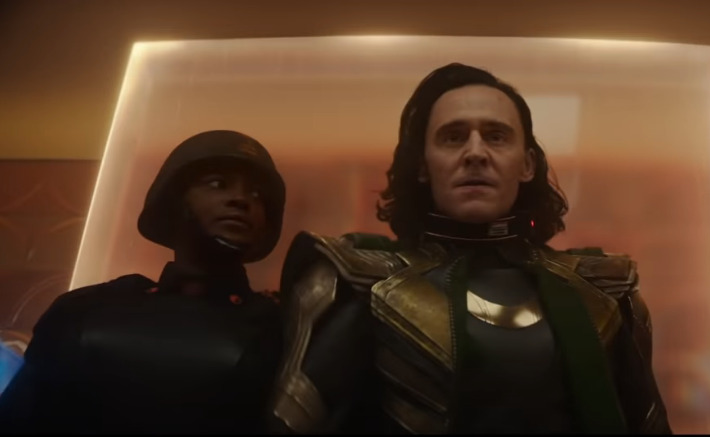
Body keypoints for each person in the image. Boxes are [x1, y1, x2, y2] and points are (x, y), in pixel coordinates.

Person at [269, 63, 671, 434]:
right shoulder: (363, 282)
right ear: (423, 165)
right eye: (453, 137)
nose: (475, 153)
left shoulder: (602, 291)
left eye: (496, 136)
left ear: (527, 164)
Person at [0, 130, 287, 433]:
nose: (241, 200)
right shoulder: (84, 308)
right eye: (217, 184)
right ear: (174, 201)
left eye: (257, 195)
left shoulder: (282, 326)